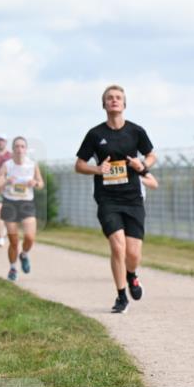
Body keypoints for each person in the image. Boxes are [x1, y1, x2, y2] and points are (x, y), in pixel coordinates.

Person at [75, 85, 156, 313]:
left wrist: (143, 165)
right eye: (109, 98)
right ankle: (121, 297)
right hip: (108, 199)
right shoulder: (95, 134)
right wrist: (98, 169)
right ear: (104, 105)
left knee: (133, 253)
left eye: (118, 98)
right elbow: (79, 165)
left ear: (124, 104)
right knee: (118, 247)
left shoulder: (136, 131)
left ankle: (132, 275)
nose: (114, 101)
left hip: (133, 199)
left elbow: (152, 154)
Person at [0, 136, 44, 281]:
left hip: (27, 204)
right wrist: (6, 182)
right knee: (14, 241)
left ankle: (24, 254)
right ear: (13, 149)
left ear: (26, 149)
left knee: (29, 237)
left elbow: (41, 184)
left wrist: (35, 183)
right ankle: (13, 268)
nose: (19, 149)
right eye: (16, 146)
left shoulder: (32, 165)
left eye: (22, 146)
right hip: (9, 203)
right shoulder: (6, 166)